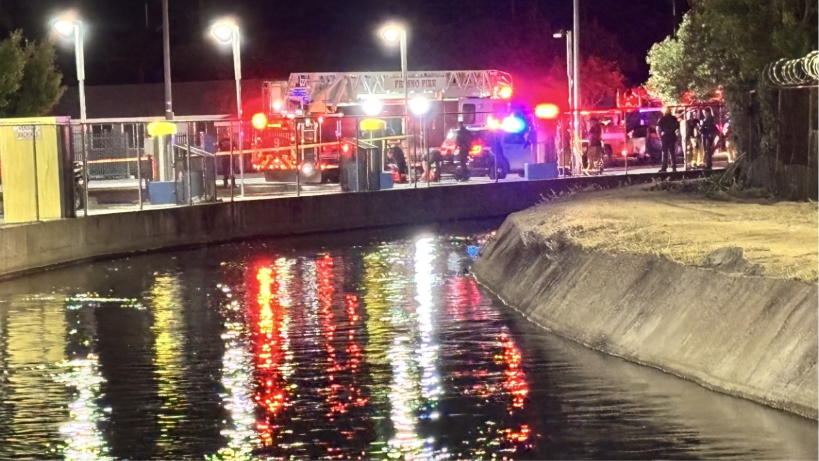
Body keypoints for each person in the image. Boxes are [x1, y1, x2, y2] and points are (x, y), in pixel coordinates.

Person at [657, 107, 680, 172]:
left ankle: (664, 167)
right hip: (672, 136)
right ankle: (674, 167)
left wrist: (660, 136)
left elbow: (658, 128)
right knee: (672, 152)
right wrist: (677, 137)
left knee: (665, 152)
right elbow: (677, 128)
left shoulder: (662, 119)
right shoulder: (674, 118)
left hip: (664, 137)